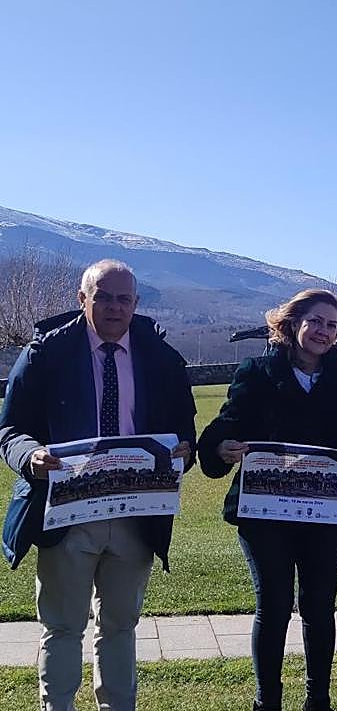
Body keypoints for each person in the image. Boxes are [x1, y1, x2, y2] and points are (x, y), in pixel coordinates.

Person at [0, 259, 196, 711]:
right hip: (66, 514)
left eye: (123, 299)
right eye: (103, 297)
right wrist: (31, 456)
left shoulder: (160, 357)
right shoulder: (46, 353)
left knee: (121, 625)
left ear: (136, 303)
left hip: (134, 514)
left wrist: (183, 451)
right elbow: (9, 430)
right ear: (82, 299)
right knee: (64, 626)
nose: (113, 307)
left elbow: (183, 429)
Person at [197, 288, 337, 711]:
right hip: (264, 515)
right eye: (316, 321)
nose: (323, 331)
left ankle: (318, 701)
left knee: (318, 607)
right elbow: (226, 425)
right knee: (274, 606)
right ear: (294, 322)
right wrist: (221, 448)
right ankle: (268, 702)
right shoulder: (256, 371)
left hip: (325, 514)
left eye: (332, 325)